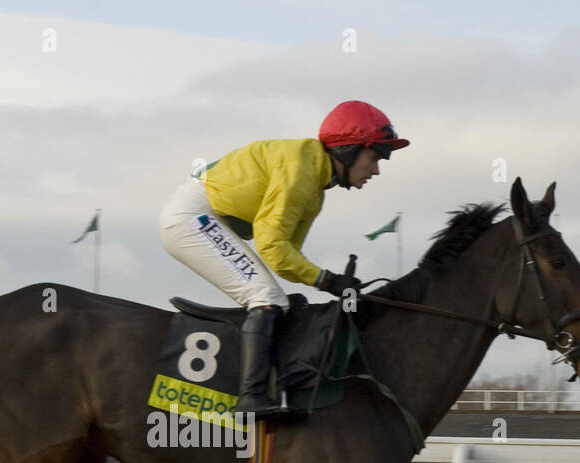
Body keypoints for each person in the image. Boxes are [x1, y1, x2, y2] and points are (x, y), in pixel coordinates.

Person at [160, 101, 409, 417]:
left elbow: (286, 257)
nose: (376, 170)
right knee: (265, 298)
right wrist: (329, 281)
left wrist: (328, 282)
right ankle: (250, 397)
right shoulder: (300, 172)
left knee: (278, 300)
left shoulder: (315, 186)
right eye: (375, 157)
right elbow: (273, 248)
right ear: (348, 149)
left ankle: (263, 389)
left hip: (206, 216)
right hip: (193, 216)